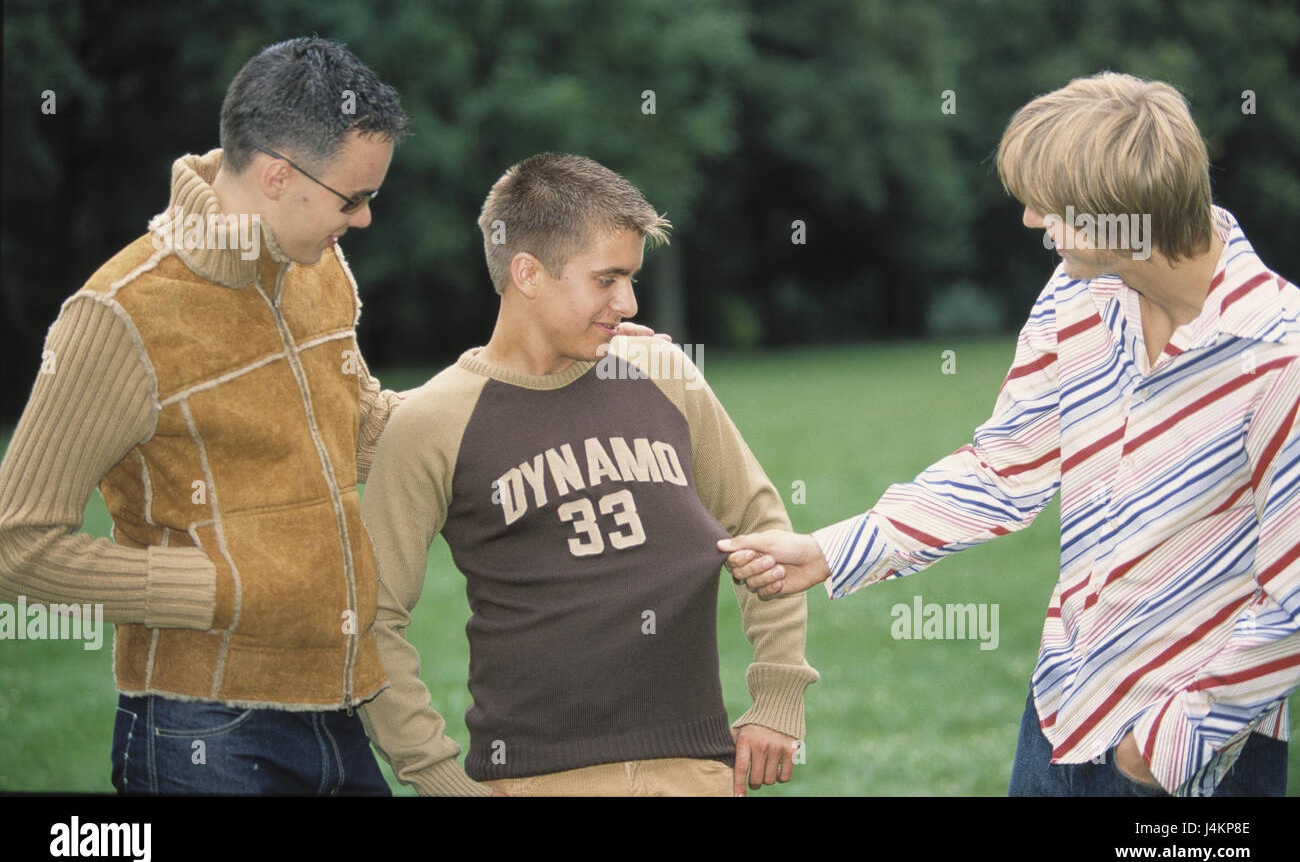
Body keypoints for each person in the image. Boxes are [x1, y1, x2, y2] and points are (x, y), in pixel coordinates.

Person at [721, 72, 1299, 797]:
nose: (1029, 219)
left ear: (1116, 217)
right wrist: (828, 550)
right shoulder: (1077, 294)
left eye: (1046, 204)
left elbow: (1294, 603)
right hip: (1059, 717)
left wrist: (1164, 750)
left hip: (1196, 760)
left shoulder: (1282, 355)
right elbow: (1002, 469)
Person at [0, 36, 413, 795]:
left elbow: (362, 434)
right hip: (200, 733)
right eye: (353, 199)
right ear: (280, 175)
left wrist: (525, 380)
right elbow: (16, 545)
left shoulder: (317, 271)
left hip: (341, 709)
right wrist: (212, 591)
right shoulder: (118, 314)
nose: (362, 222)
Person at [357, 153, 818, 796]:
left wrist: (776, 696)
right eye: (608, 279)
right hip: (534, 780)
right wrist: (437, 778)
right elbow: (371, 617)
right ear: (528, 274)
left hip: (696, 773)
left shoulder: (662, 373)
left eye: (631, 279)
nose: (627, 302)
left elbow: (760, 529)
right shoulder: (431, 423)